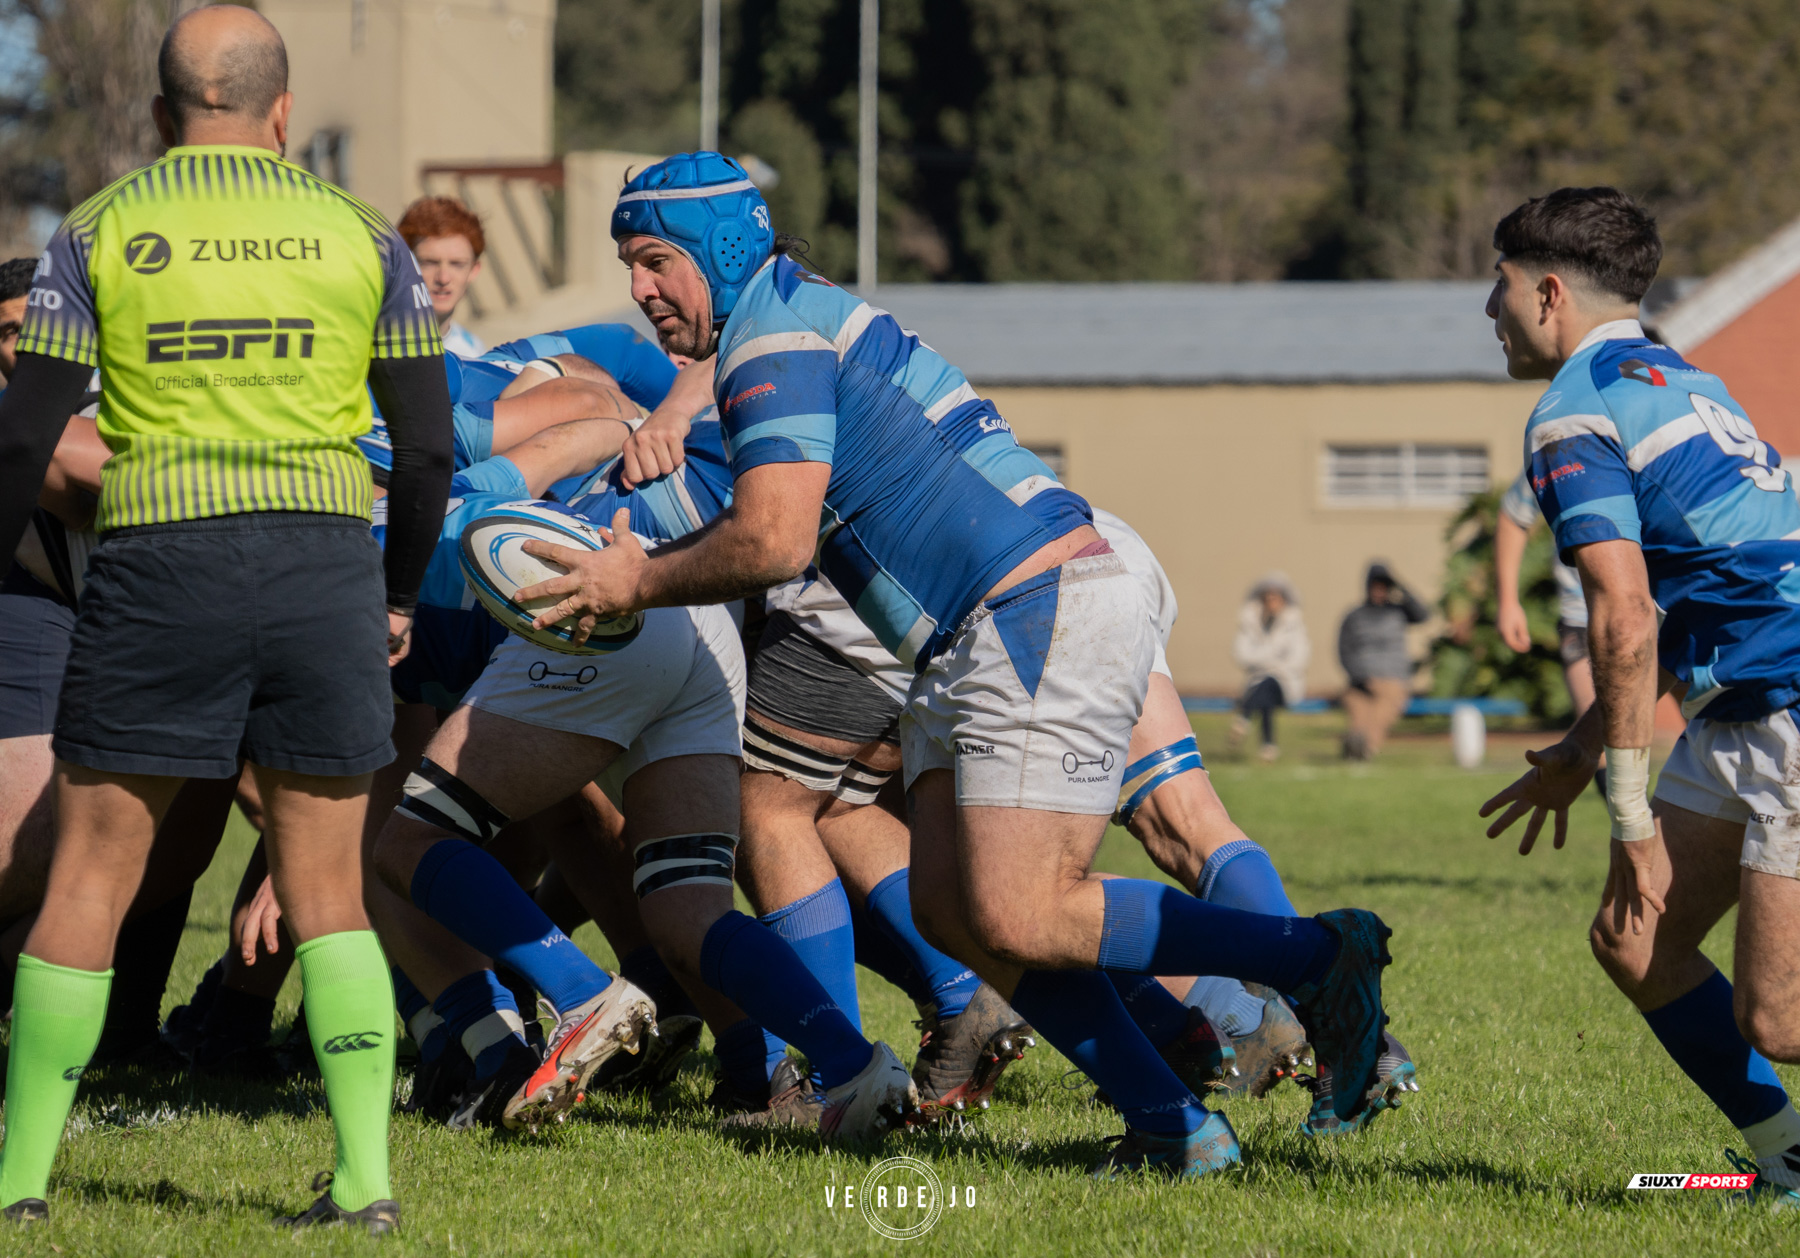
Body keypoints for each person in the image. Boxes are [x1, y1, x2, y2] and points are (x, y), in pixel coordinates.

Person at [521, 151, 1398, 1178]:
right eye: (630, 265)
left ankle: (1317, 957)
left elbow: (774, 540)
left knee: (1028, 907)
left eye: (655, 261)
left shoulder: (773, 336)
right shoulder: (783, 316)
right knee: (952, 910)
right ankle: (1173, 1120)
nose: (641, 289)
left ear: (716, 249)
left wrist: (635, 579)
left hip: (1031, 605)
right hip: (968, 633)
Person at [0, 6, 454, 1232]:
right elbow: (426, 450)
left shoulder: (96, 230)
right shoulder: (368, 235)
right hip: (321, 571)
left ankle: (20, 1185)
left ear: (159, 116)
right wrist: (398, 589)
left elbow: (22, 436)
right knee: (329, 894)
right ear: (285, 111)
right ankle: (365, 1182)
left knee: (88, 878)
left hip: (157, 568)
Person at [1479, 185, 1800, 1210]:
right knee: (1636, 938)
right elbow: (1700, 586)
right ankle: (1792, 1161)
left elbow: (1622, 617)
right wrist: (1582, 750)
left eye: (1499, 286)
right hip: (1747, 702)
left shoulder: (1573, 408)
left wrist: (1627, 813)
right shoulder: (1677, 378)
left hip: (1791, 702)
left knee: (1781, 1019)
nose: (1490, 311)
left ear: (1549, 291)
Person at [1337, 563, 1428, 760]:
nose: (1379, 591)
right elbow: (1343, 650)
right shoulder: (1355, 616)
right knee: (1358, 709)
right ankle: (1357, 743)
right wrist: (1359, 677)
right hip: (1361, 680)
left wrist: (1400, 586)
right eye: (1375, 586)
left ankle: (1364, 747)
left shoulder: (1398, 612)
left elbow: (1423, 614)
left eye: (1384, 586)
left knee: (1385, 705)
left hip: (1392, 679)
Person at [1231, 572, 1307, 762]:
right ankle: (1268, 747)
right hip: (1256, 683)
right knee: (1265, 693)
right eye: (1267, 597)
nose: (1271, 602)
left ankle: (1244, 718)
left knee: (1269, 682)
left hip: (1286, 683)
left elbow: (1299, 659)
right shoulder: (1249, 623)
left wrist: (1264, 660)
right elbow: (1241, 655)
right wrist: (1274, 658)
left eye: (1275, 597)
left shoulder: (1294, 625)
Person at [399, 195, 486, 357]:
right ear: (402, 265)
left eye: (457, 264)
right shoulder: (368, 343)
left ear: (474, 270)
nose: (443, 278)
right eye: (429, 262)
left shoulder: (474, 353)